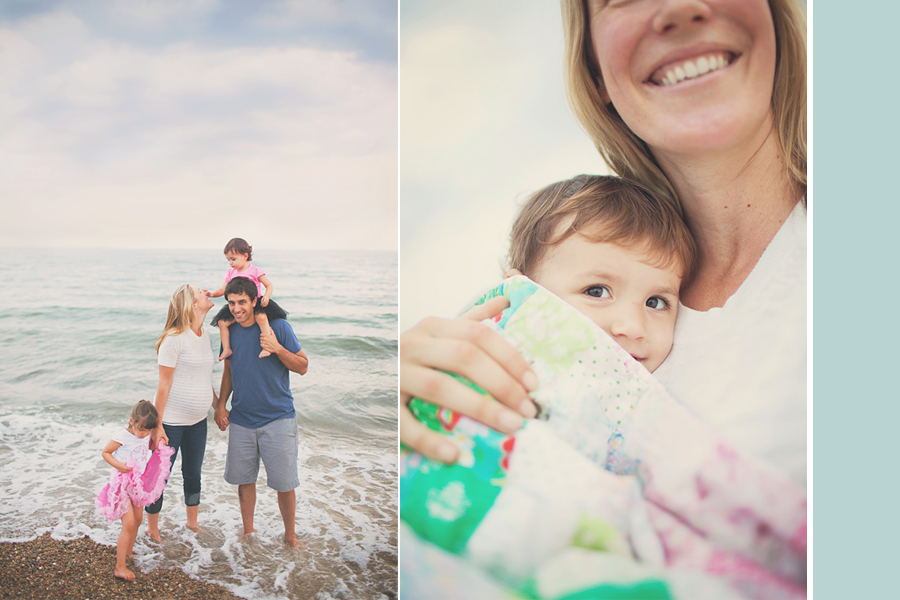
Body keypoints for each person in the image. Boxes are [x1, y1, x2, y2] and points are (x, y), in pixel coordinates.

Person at [400, 0, 807, 491]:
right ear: (595, 72)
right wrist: (415, 394)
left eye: (657, 302)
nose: (678, 8)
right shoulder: (563, 280)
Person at [213, 276, 309, 548]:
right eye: (231, 303)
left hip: (278, 417)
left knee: (284, 482)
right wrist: (221, 404)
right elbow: (229, 370)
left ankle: (290, 536)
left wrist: (277, 348)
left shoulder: (278, 327)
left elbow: (302, 366)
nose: (236, 308)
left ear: (255, 301)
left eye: (242, 302)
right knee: (244, 481)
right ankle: (248, 534)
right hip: (241, 419)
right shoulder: (229, 331)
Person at [146, 284, 218, 542]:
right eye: (200, 292)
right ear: (191, 304)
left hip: (198, 422)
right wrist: (157, 425)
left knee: (193, 473)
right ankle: (152, 529)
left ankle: (192, 524)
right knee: (159, 477)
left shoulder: (206, 335)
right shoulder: (173, 339)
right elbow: (163, 385)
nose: (206, 292)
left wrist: (218, 406)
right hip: (171, 423)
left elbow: (203, 378)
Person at [96, 400, 174, 581]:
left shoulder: (145, 435)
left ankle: (128, 553)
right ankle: (119, 567)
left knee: (138, 519)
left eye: (148, 431)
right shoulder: (122, 436)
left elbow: (147, 448)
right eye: (142, 430)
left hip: (137, 484)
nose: (145, 434)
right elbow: (106, 452)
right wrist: (119, 466)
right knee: (129, 522)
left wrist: (159, 442)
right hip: (122, 483)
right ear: (132, 421)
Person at [210, 237, 288, 361]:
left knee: (261, 318)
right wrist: (212, 294)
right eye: (228, 260)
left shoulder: (255, 271)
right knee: (222, 322)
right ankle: (226, 349)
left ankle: (267, 346)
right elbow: (223, 290)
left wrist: (267, 296)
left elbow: (269, 285)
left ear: (245, 256)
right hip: (239, 305)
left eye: (233, 259)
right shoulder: (231, 273)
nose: (230, 263)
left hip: (255, 301)